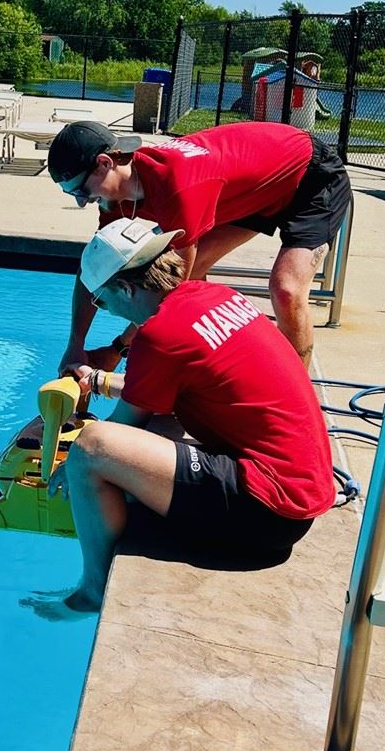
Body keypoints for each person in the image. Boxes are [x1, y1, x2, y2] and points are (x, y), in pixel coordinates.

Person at [43, 217, 335, 615]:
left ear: (126, 288)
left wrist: (69, 466)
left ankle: (93, 590)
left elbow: (118, 433)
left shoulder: (159, 336)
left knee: (92, 448)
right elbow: (164, 388)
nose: (103, 308)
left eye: (100, 299)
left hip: (269, 512)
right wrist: (97, 380)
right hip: (301, 491)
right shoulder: (210, 296)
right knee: (152, 429)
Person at [47, 120, 352, 372]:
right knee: (184, 275)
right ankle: (198, 362)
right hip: (252, 189)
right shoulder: (115, 197)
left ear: (104, 163)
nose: (81, 202)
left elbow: (168, 291)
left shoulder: (177, 186)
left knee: (286, 289)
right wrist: (75, 345)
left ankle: (297, 392)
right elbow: (94, 268)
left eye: (79, 190)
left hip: (310, 177)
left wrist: (119, 348)